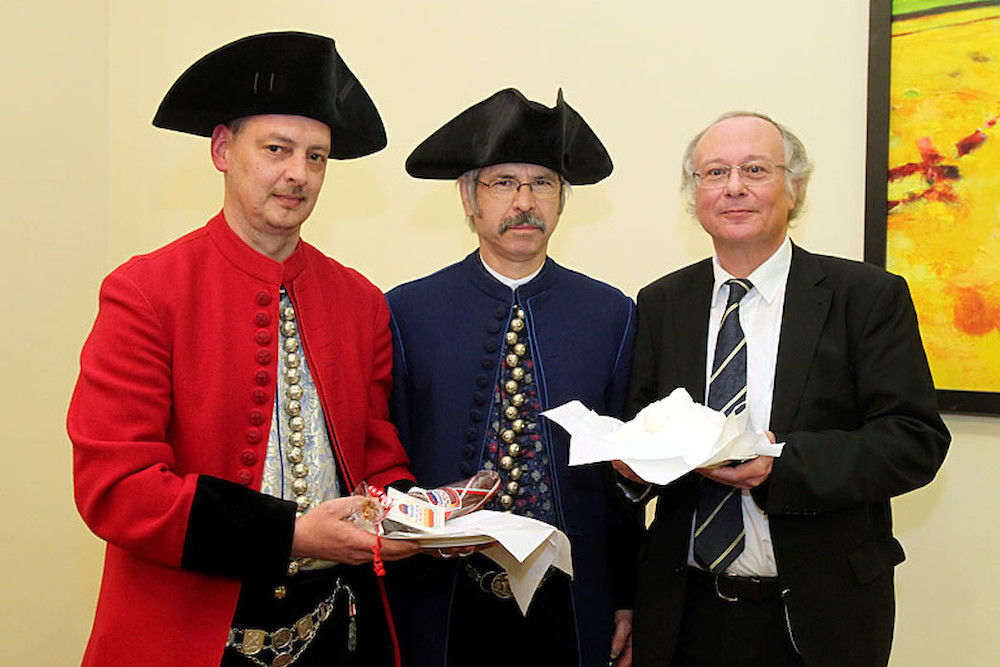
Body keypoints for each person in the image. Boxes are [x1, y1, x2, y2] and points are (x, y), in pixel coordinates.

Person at [67, 32, 420, 667]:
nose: (298, 174)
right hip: (191, 634)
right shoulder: (145, 292)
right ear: (223, 150)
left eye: (316, 157)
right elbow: (116, 488)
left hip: (336, 630)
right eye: (277, 149)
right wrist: (290, 534)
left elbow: (374, 454)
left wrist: (417, 515)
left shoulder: (361, 300)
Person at [620, 111, 950, 667]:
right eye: (715, 172)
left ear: (794, 188)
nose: (734, 187)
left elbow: (914, 441)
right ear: (695, 194)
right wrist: (632, 471)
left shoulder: (865, 297)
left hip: (819, 617)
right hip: (682, 615)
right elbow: (643, 426)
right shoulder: (661, 302)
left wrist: (782, 464)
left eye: (755, 169)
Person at [386, 89, 639, 667]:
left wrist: (627, 596)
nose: (525, 202)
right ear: (468, 198)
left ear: (562, 199)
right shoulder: (407, 311)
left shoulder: (611, 314)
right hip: (441, 602)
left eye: (542, 183)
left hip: (571, 602)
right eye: (503, 183)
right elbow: (387, 460)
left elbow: (622, 483)